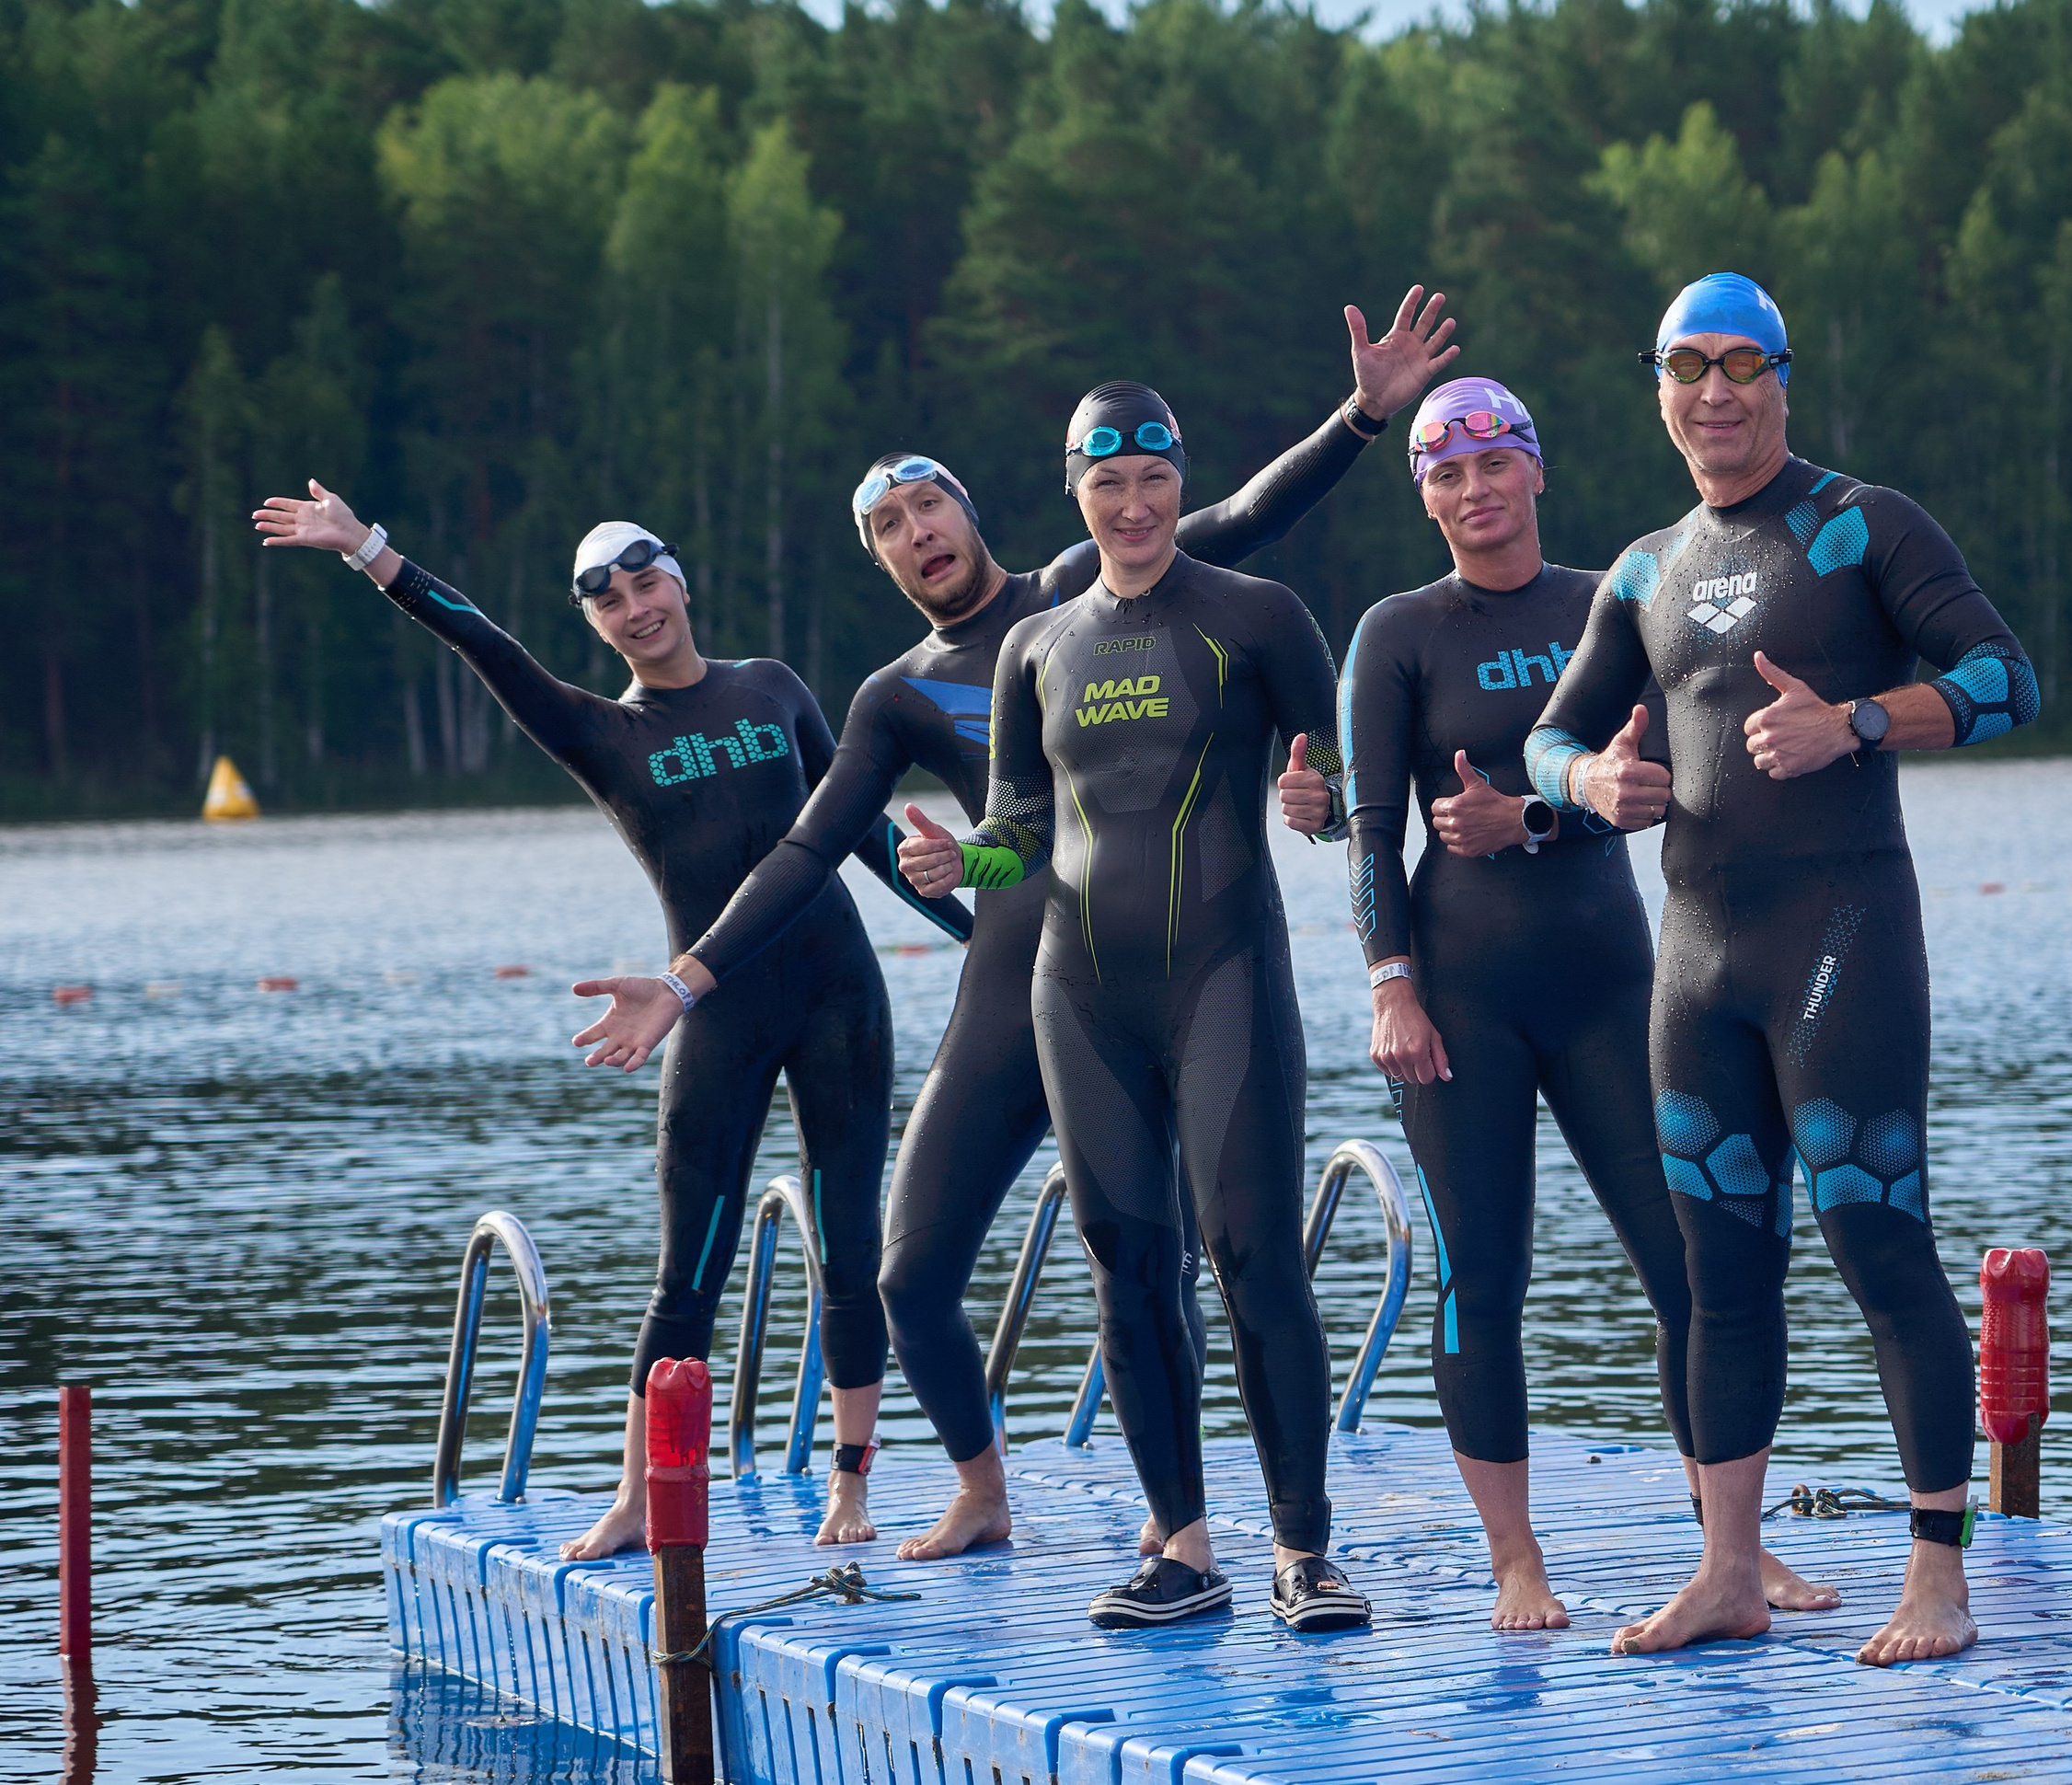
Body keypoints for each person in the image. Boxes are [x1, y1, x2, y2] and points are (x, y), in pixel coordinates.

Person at [573, 290, 1458, 1564]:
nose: (914, 532)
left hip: (1183, 960)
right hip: (1023, 983)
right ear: (879, 559)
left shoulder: (1084, 584)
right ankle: (987, 1488)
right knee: (910, 1273)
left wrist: (1362, 418)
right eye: (886, 525)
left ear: (972, 510)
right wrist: (689, 977)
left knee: (1183, 1255)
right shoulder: (895, 693)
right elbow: (811, 845)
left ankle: (1219, 1524)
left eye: (926, 504)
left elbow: (1243, 518)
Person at [249, 488, 971, 1560]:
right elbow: (485, 644)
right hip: (715, 1014)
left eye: (646, 583)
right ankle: (640, 1491)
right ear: (594, 622)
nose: (637, 608)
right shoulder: (600, 731)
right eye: (610, 600)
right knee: (690, 1269)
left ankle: (850, 1477)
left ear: (680, 582)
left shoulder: (773, 688)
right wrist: (370, 551)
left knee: (848, 1244)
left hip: (839, 1000)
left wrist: (976, 933)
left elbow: (859, 830)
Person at [1525, 273, 2039, 1664]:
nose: (1716, 392)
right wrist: (1591, 783)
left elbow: (2006, 678)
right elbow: (1546, 739)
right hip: (1695, 961)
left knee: (1878, 1243)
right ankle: (1730, 1571)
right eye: (1688, 366)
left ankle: (1937, 1576)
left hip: (1842, 939)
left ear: (1782, 378)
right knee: (1720, 1271)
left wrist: (1857, 721)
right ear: (1659, 390)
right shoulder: (1643, 570)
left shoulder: (1862, 524)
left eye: (1742, 364)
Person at [1322, 375, 1836, 1630]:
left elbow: (1670, 782)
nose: (1475, 490)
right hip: (1459, 996)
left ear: (1536, 470)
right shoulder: (1398, 632)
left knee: (1694, 1261)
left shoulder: (1615, 599)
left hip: (1614, 983)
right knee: (1481, 1277)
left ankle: (1734, 1549)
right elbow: (1372, 829)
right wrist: (1391, 986)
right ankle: (1516, 1558)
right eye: (1447, 474)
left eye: (1495, 462)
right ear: (1426, 497)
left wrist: (1535, 818)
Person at [895, 382, 1370, 1633]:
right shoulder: (1035, 647)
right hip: (1080, 993)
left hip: (1225, 977)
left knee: (1255, 1254)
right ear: (1076, 491)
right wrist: (957, 862)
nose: (1135, 502)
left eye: (1154, 476)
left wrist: (1322, 806)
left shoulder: (1257, 615)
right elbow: (1017, 832)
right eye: (1107, 481)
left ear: (1179, 478)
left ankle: (1304, 1551)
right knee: (1127, 1264)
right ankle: (1186, 1551)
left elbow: (1343, 784)